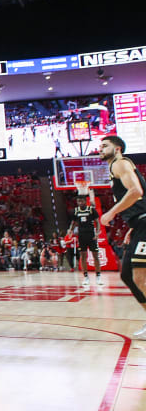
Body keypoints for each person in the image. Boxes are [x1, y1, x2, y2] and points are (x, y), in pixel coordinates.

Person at [99, 136, 146, 339]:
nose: (100, 149)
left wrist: (111, 213)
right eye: (100, 146)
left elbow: (136, 191)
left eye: (105, 146)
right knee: (127, 274)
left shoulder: (120, 163)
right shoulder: (117, 168)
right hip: (140, 224)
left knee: (139, 276)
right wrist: (132, 227)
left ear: (117, 149)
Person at [68, 193, 102, 287]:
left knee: (95, 256)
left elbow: (97, 222)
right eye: (79, 201)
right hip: (81, 236)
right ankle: (86, 277)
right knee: (83, 256)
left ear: (85, 201)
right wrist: (70, 230)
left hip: (91, 235)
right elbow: (73, 222)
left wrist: (97, 233)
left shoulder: (91, 210)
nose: (80, 202)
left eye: (82, 200)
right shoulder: (76, 211)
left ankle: (98, 276)